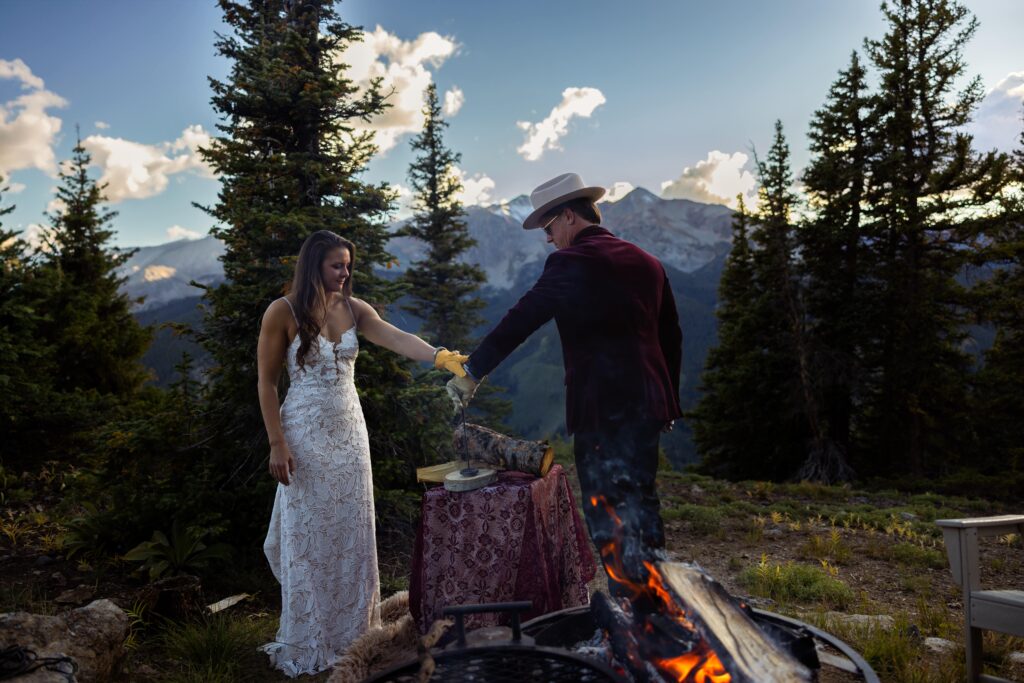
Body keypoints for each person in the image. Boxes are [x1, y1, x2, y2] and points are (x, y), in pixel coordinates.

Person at [447, 173, 682, 598]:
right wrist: (668, 401)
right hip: (649, 404)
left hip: (601, 409)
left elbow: (523, 317)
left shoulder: (571, 262)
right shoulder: (648, 262)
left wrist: (472, 371)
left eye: (550, 228)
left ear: (569, 217)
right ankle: (656, 602)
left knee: (606, 510)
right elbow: (671, 337)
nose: (549, 239)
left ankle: (630, 607)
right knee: (642, 502)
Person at [256, 230, 466, 676]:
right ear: (314, 265)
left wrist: (440, 356)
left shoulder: (353, 308)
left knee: (352, 527)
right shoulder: (283, 311)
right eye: (337, 265)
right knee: (310, 532)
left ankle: (354, 630)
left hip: (351, 432)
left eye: (348, 265)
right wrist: (277, 441)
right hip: (304, 433)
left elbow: (395, 337)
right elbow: (266, 382)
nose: (345, 272)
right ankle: (310, 634)